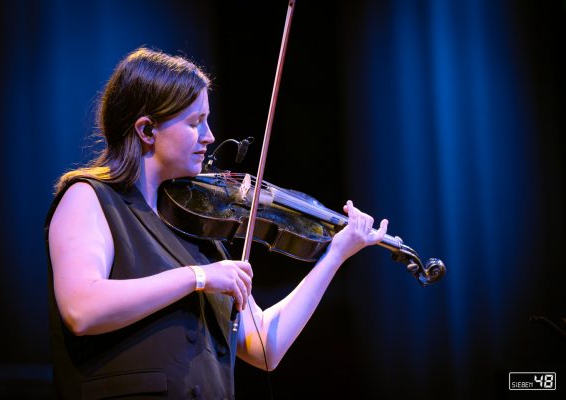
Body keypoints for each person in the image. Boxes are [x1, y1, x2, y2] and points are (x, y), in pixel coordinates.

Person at [45, 47, 389, 399]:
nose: (209, 136)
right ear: (147, 130)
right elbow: (81, 308)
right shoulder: (90, 197)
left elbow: (263, 348)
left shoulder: (202, 231)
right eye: (195, 122)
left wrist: (335, 255)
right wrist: (199, 277)